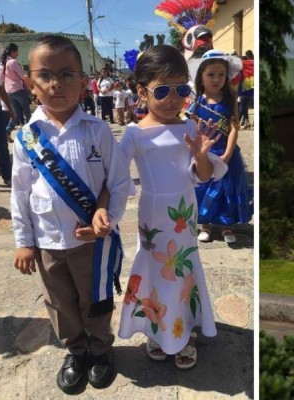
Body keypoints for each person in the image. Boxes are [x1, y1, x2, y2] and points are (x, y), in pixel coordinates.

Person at [11, 35, 130, 393]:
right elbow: (19, 194)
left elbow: (120, 182)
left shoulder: (97, 131)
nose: (56, 83)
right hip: (47, 241)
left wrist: (105, 214)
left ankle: (100, 349)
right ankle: (76, 351)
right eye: (45, 75)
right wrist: (24, 242)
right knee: (59, 302)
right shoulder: (26, 138)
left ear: (83, 81)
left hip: (90, 242)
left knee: (94, 299)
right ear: (30, 83)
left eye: (66, 73)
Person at [117, 45, 226, 369]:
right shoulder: (134, 134)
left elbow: (203, 177)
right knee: (154, 268)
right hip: (152, 214)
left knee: (182, 270)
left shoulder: (191, 129)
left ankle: (184, 331)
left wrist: (202, 156)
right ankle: (156, 330)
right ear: (142, 91)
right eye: (162, 90)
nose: (172, 98)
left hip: (185, 212)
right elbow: (116, 175)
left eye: (181, 89)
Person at [187, 50, 253, 244]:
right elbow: (192, 127)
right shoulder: (197, 101)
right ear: (201, 77)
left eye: (221, 75)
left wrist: (227, 153)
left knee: (227, 189)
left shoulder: (230, 99)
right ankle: (205, 224)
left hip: (226, 152)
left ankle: (226, 226)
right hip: (205, 153)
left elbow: (234, 127)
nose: (216, 79)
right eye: (211, 75)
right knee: (204, 188)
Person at [0, 43, 32, 142]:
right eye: (17, 51)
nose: (18, 53)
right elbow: (23, 76)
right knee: (27, 113)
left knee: (16, 114)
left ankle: (7, 131)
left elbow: (0, 78)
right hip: (18, 90)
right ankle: (29, 138)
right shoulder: (13, 62)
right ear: (13, 51)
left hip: (9, 91)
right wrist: (32, 86)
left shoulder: (3, 63)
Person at [0, 62, 15, 187]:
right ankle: (7, 177)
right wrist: (9, 108)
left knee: (1, 145)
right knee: (1, 145)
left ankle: (7, 176)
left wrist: (9, 107)